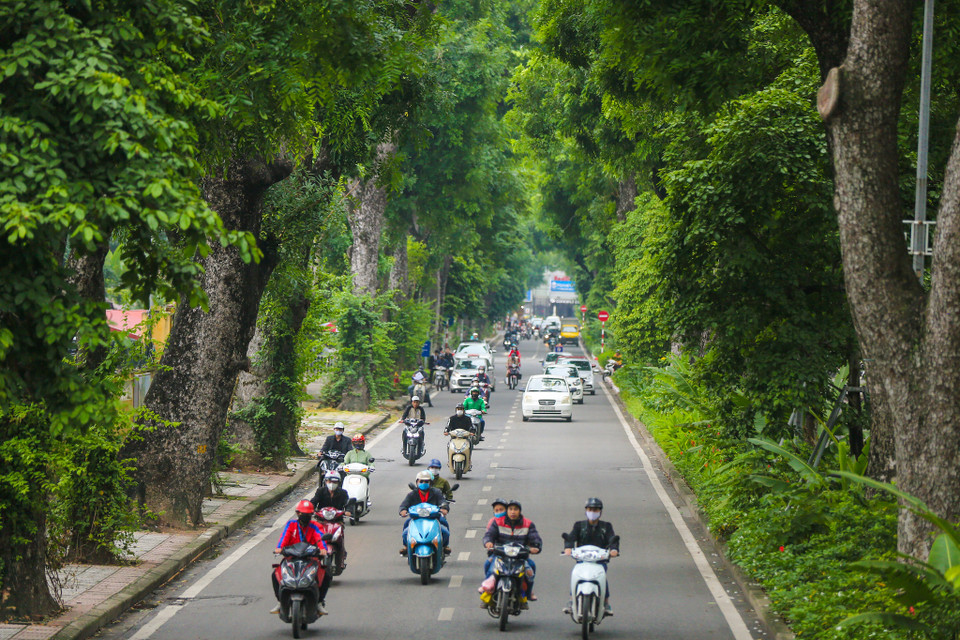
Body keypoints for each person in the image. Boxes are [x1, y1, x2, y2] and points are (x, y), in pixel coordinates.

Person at [270, 500, 330, 616]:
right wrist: (279, 548)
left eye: (308, 515)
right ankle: (280, 601)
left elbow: (320, 538)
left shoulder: (315, 526)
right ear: (298, 513)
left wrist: (323, 549)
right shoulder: (291, 525)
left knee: (326, 575)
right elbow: (284, 538)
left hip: (311, 559)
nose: (306, 517)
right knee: (275, 574)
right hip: (291, 559)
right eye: (303, 514)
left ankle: (319, 602)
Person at [563, 497, 619, 616]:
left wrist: (614, 549)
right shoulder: (579, 526)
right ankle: (571, 600)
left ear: (600, 511)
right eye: (590, 509)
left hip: (600, 561)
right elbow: (571, 538)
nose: (592, 512)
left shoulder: (606, 526)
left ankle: (606, 602)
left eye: (595, 510)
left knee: (602, 576)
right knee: (575, 575)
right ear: (586, 510)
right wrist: (568, 548)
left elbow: (612, 539)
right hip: (582, 561)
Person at [482, 500, 541, 607]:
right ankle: (488, 591)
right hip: (500, 555)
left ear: (519, 511)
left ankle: (527, 594)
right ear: (507, 511)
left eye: (515, 509)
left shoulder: (528, 524)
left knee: (531, 569)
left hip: (520, 557)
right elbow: (489, 535)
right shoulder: (498, 522)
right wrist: (488, 542)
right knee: (488, 564)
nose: (513, 512)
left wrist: (535, 547)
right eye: (511, 509)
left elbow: (535, 538)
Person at [399, 470, 450, 554]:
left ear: (430, 483)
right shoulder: (412, 494)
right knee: (406, 531)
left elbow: (442, 502)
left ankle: (445, 546)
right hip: (416, 519)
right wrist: (403, 510)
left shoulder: (436, 492)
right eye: (421, 481)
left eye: (426, 481)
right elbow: (404, 504)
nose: (423, 483)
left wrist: (444, 508)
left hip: (434, 518)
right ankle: (406, 546)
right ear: (417, 482)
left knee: (445, 529)